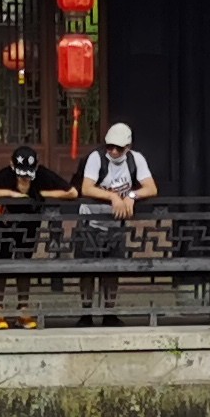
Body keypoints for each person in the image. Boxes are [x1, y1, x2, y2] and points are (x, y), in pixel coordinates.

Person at [0, 133, 74, 325]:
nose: (25, 178)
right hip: (4, 225)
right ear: (12, 166)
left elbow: (71, 192)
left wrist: (39, 193)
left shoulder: (42, 174)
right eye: (21, 174)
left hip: (29, 223)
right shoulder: (6, 175)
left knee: (24, 265)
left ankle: (23, 309)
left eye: (28, 174)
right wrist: (10, 194)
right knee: (2, 264)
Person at [75, 121, 157, 323]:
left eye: (118, 148)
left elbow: (151, 188)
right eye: (109, 146)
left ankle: (109, 312)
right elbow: (86, 188)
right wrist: (112, 197)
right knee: (87, 269)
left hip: (116, 223)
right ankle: (86, 312)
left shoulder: (136, 160)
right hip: (90, 221)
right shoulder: (96, 158)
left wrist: (131, 196)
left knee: (112, 270)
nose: (112, 151)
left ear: (127, 148)